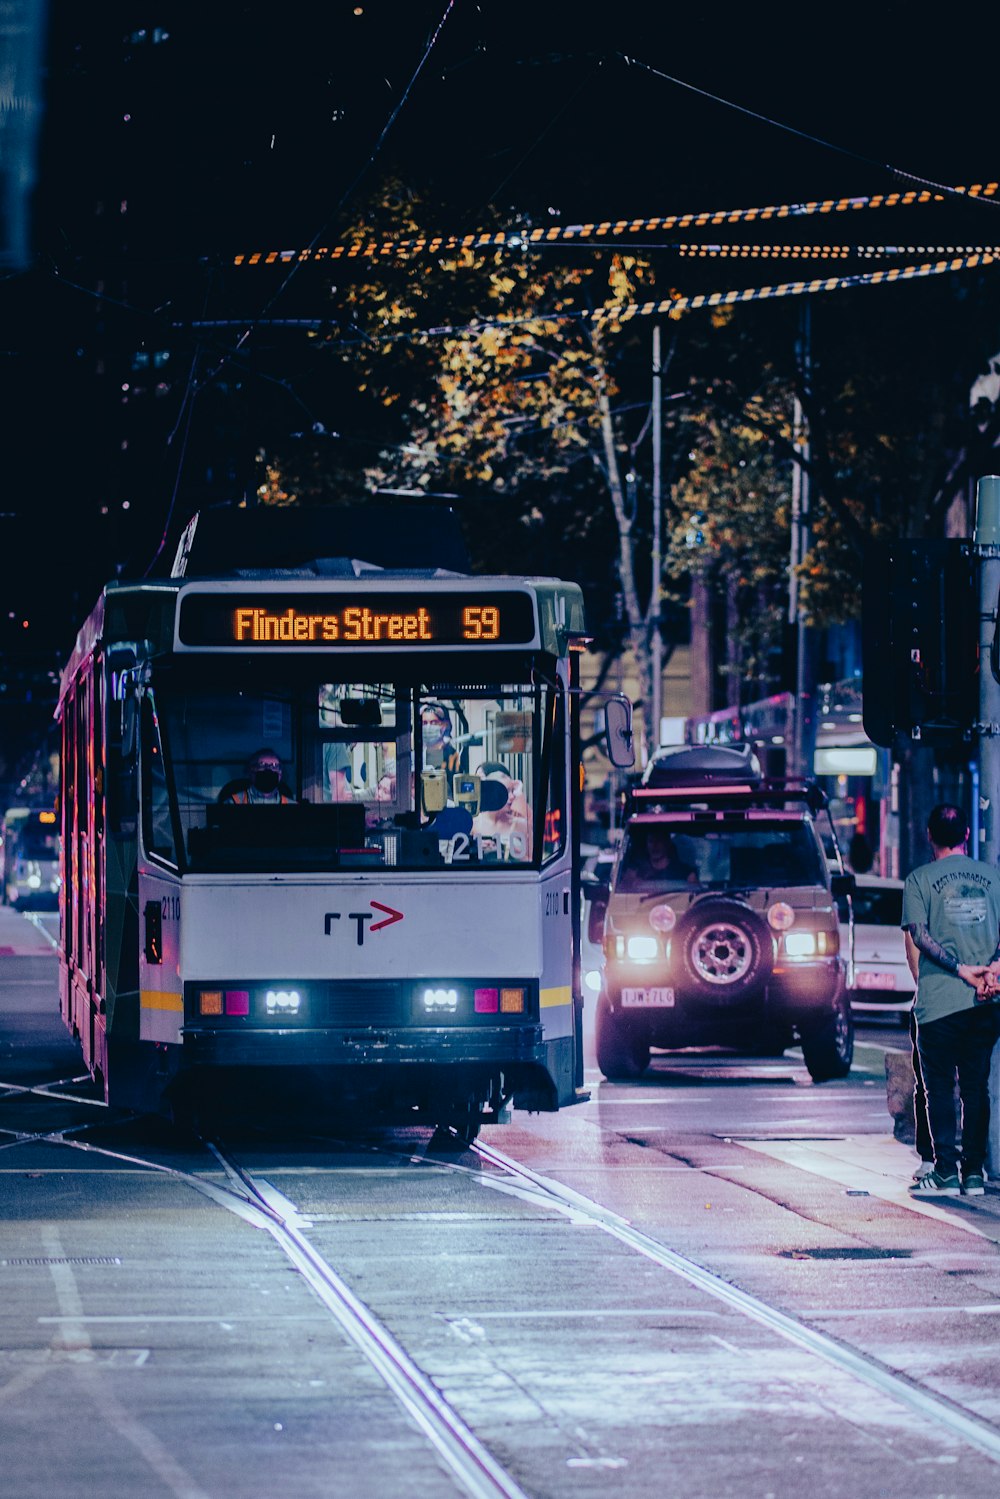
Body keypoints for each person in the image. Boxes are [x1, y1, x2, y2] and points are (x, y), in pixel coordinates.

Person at [903, 803, 1000, 1197]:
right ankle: (974, 1173)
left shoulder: (919, 880)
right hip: (986, 1001)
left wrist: (961, 969)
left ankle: (944, 1171)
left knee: (940, 1088)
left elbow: (919, 935)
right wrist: (993, 969)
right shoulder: (993, 878)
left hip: (940, 1003)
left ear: (929, 835)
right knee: (977, 1087)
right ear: (965, 835)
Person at [471, 760, 531, 858]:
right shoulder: (472, 825)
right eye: (506, 791)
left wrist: (514, 854)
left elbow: (537, 862)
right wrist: (474, 849)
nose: (512, 796)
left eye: (512, 790)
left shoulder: (523, 825)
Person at [618, 825, 699, 891]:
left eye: (659, 841)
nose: (654, 845)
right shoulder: (635, 872)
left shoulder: (685, 872)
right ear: (646, 845)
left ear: (667, 843)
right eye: (651, 841)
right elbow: (621, 895)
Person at [219, 749, 295, 805]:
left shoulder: (293, 806)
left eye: (274, 766)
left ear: (280, 774)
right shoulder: (233, 803)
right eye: (262, 765)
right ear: (251, 772)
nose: (268, 770)